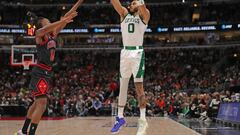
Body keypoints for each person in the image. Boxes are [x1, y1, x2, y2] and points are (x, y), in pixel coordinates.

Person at [16, 0, 84, 135]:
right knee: (42, 103)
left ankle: (23, 131)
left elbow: (65, 17)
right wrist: (62, 21)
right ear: (42, 23)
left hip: (46, 72)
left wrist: (79, 2)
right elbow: (52, 25)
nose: (50, 22)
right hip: (40, 71)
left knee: (36, 103)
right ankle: (30, 133)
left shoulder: (52, 34)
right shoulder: (40, 34)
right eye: (48, 21)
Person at [110, 0, 150, 135]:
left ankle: (143, 120)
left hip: (138, 53)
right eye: (133, 3)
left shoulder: (144, 15)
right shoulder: (124, 14)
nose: (135, 4)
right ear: (129, 7)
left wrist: (140, 4)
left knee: (139, 88)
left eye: (136, 3)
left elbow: (144, 10)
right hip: (125, 52)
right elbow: (115, 3)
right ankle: (120, 118)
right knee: (123, 86)